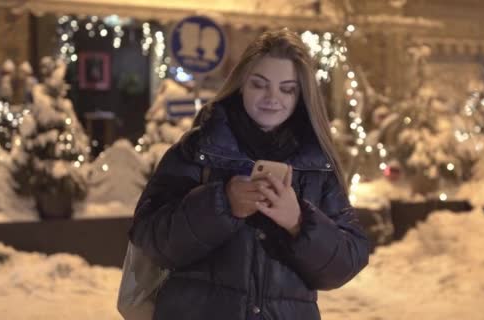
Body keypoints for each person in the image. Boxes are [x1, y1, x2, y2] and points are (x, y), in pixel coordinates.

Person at [129, 28, 369, 320]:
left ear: (300, 95)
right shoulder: (198, 149)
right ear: (242, 84)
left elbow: (346, 262)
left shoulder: (316, 164)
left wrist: (298, 222)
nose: (272, 97)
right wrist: (221, 205)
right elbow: (148, 238)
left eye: (287, 88)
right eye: (260, 84)